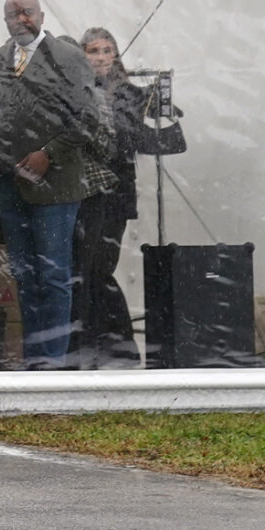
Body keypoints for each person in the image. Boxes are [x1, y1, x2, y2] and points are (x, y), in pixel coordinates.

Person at [0, 0, 103, 368]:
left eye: (27, 12)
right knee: (23, 274)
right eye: (12, 15)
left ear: (41, 15)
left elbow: (87, 120)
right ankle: (34, 359)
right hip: (9, 181)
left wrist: (47, 154)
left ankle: (53, 362)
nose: (21, 19)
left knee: (53, 275)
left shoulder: (69, 57)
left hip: (55, 185)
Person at [73, 28, 187, 367]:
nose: (101, 57)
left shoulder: (128, 94)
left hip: (115, 195)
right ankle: (102, 345)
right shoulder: (78, 91)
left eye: (107, 50)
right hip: (83, 193)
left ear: (116, 56)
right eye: (94, 50)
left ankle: (118, 348)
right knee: (87, 271)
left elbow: (154, 142)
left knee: (99, 269)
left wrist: (161, 111)